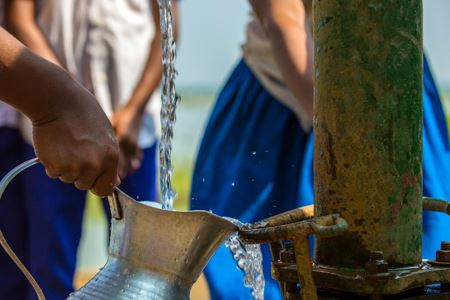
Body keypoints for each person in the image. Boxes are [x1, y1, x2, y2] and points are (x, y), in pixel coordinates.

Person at [1, 1, 177, 298]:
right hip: (50, 129)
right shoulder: (56, 108)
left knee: (144, 272)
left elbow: (168, 28)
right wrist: (63, 102)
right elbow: (20, 19)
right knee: (48, 266)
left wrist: (133, 112)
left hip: (134, 129)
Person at [190, 0, 314, 299]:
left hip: (386, 83)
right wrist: (336, 122)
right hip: (273, 87)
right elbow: (281, 15)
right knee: (242, 261)